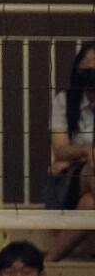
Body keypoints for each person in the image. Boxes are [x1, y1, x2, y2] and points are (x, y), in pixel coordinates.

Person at [45, 41, 95, 261]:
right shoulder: (64, 101)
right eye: (88, 68)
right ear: (78, 70)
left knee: (90, 205)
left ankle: (48, 261)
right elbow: (61, 150)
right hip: (70, 180)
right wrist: (86, 150)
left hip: (88, 191)